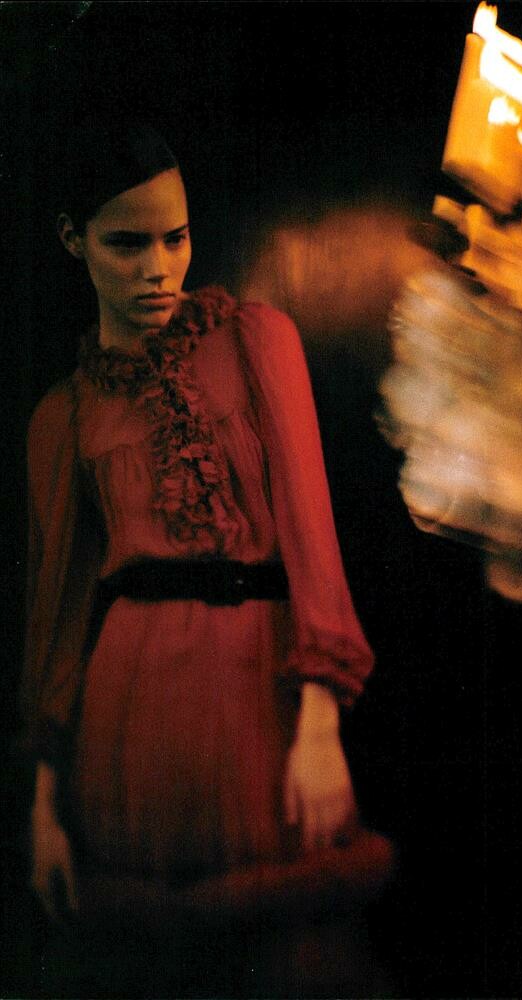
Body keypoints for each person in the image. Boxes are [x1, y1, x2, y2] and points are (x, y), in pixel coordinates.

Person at [23, 119, 374, 924]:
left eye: (175, 239)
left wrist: (321, 725)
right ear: (73, 240)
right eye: (126, 244)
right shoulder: (61, 418)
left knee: (283, 932)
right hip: (125, 716)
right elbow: (58, 618)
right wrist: (41, 809)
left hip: (258, 686)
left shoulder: (257, 340)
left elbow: (312, 537)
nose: (158, 269)